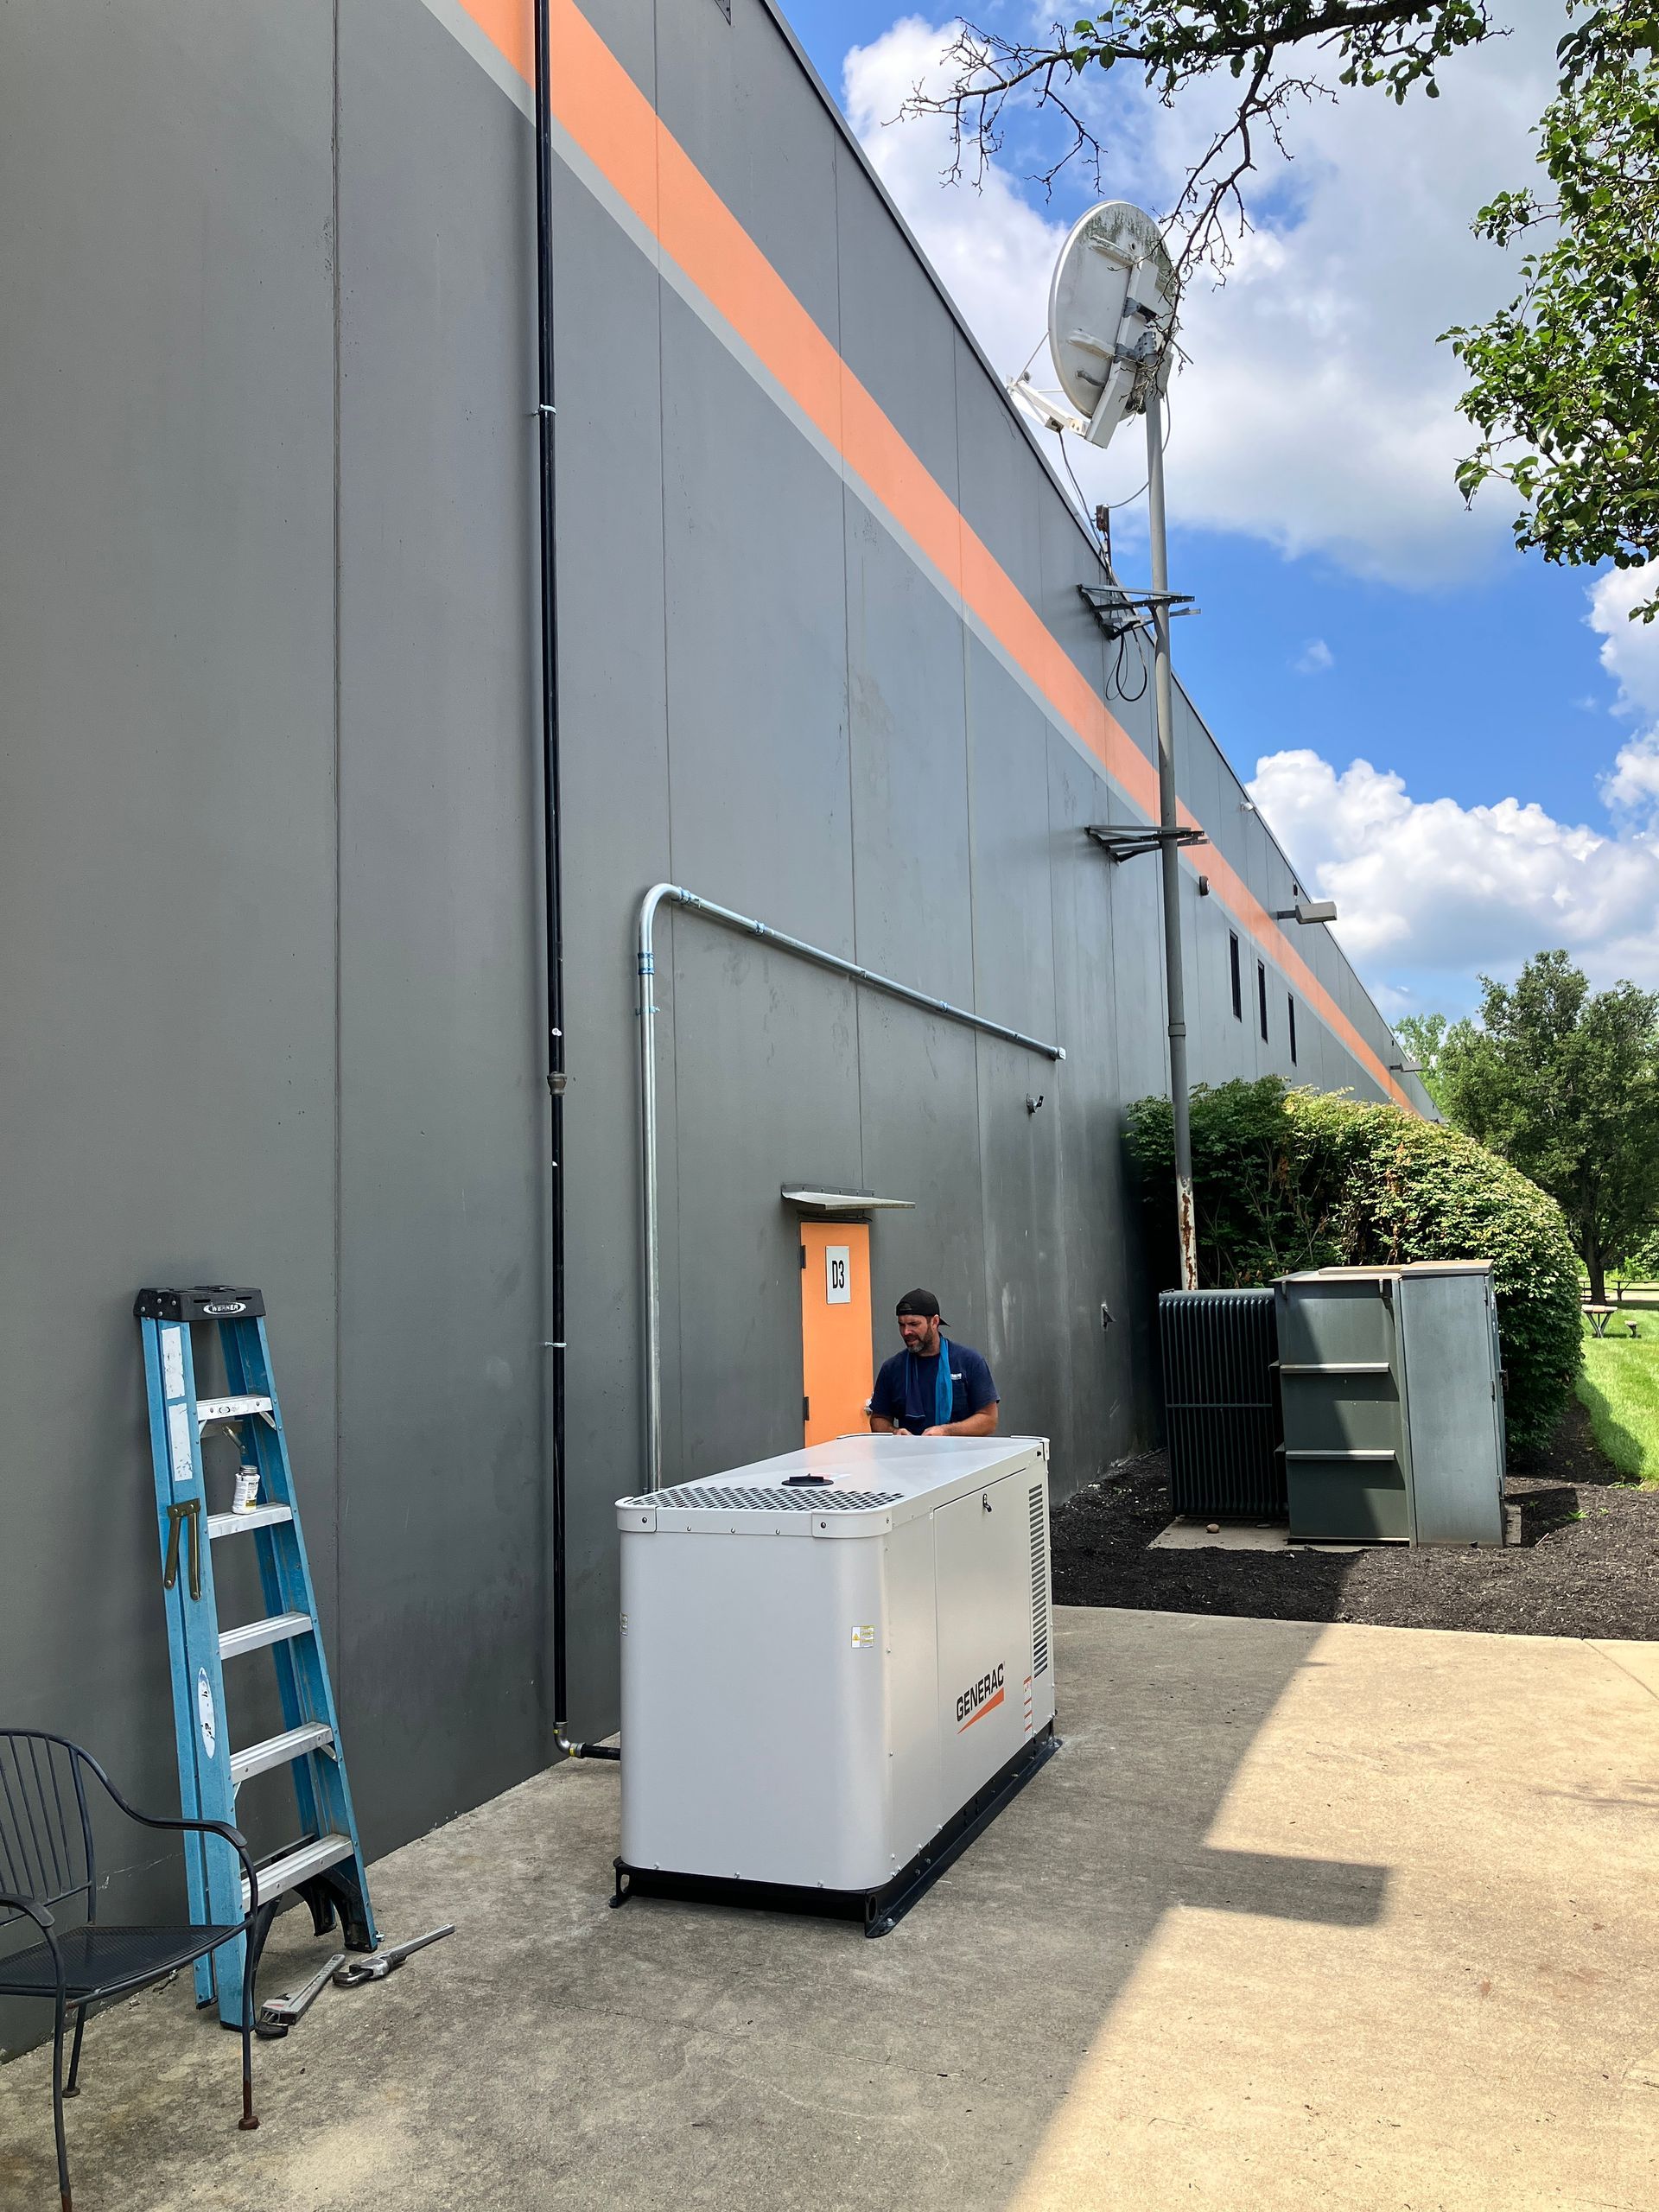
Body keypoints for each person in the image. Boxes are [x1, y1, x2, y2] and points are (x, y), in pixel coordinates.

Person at [868, 1289, 999, 1438]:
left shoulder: (969, 1361)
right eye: (901, 1325)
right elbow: (878, 1419)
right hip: (911, 1457)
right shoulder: (892, 1369)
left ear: (935, 1322)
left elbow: (989, 1420)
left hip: (963, 1457)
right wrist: (895, 1432)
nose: (906, 1332)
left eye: (913, 1324)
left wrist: (946, 1431)